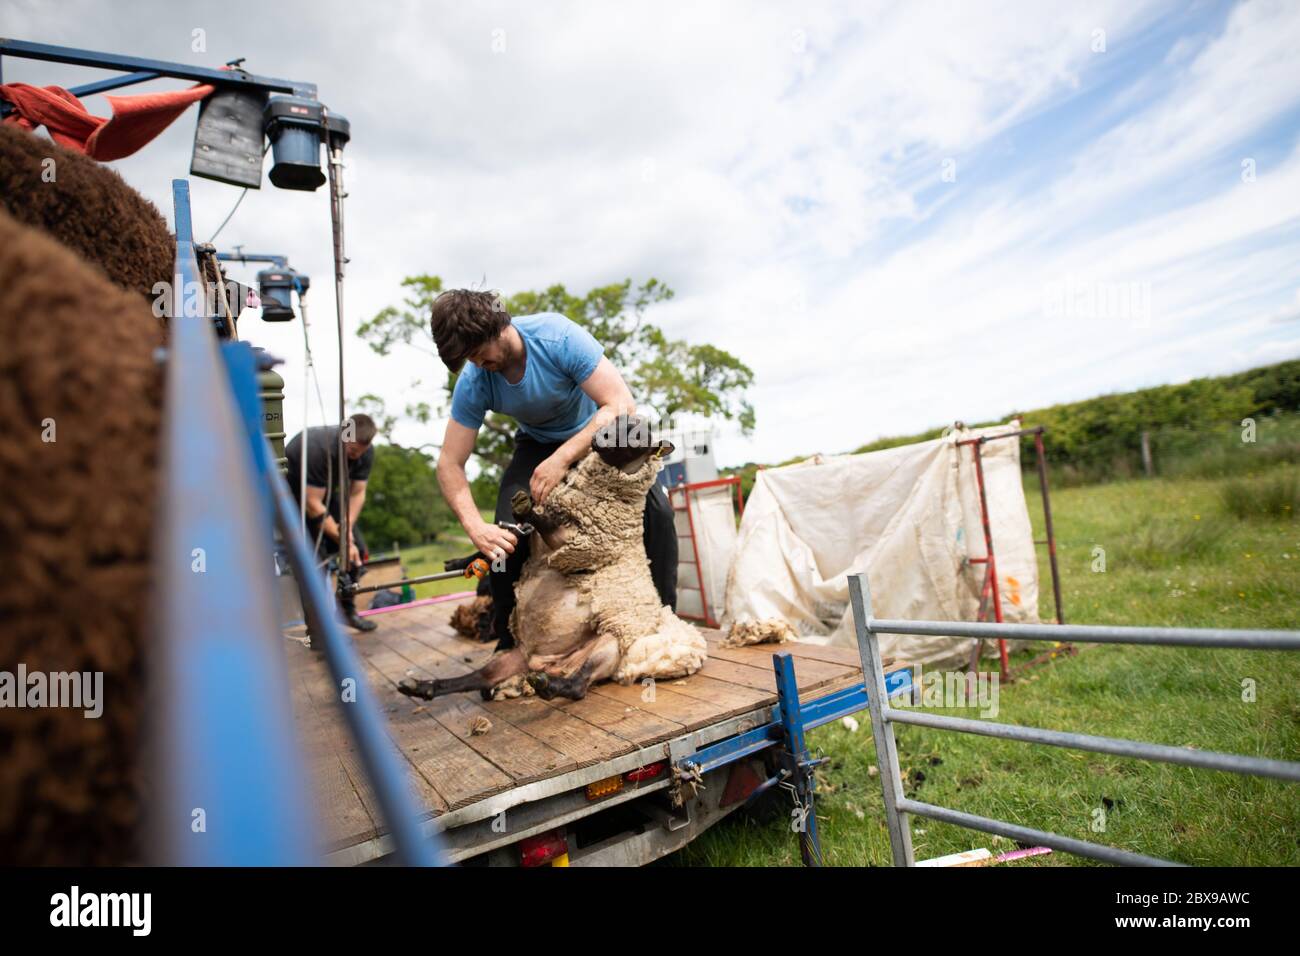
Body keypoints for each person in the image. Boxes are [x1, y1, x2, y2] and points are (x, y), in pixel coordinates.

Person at [430, 290, 677, 651]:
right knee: (504, 540)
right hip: (535, 445)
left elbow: (621, 404)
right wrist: (475, 527)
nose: (476, 363)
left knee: (659, 513)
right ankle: (509, 641)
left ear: (497, 328)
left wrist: (562, 458)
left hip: (599, 434)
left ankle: (665, 616)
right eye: (468, 358)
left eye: (477, 352)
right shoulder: (475, 380)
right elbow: (449, 463)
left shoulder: (556, 336)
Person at [285, 414, 379, 632]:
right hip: (294, 499)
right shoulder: (318, 448)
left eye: (360, 453)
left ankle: (346, 612)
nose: (355, 457)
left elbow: (357, 493)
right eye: (351, 451)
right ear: (344, 435)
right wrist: (343, 539)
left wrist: (346, 529)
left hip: (324, 496)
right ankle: (318, 632)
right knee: (316, 563)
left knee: (358, 554)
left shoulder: (365, 452)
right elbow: (312, 504)